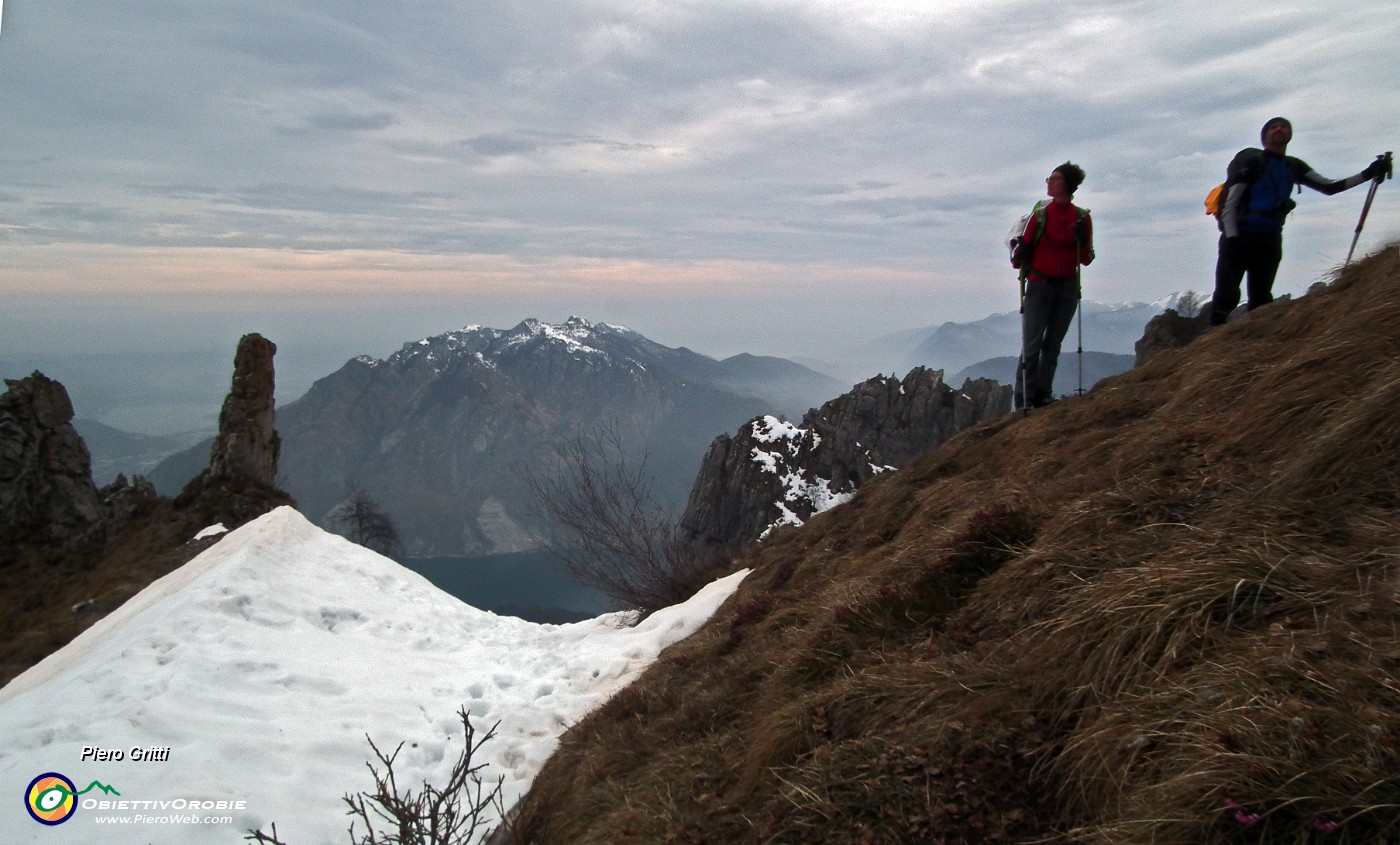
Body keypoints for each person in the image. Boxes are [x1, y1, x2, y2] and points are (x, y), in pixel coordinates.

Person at [1210, 117, 1389, 325]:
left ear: (1289, 135)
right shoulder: (1252, 163)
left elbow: (1330, 187)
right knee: (1226, 294)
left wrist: (1368, 173)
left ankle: (1253, 342)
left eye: (1284, 126)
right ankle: (1211, 344)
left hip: (1269, 238)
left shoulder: (1293, 166)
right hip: (1241, 235)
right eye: (1273, 127)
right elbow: (1231, 203)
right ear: (1264, 137)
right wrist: (1232, 238)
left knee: (1261, 298)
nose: (1279, 129)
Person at [1012, 162, 1094, 409]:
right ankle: (1026, 400)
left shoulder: (1081, 218)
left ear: (1066, 184)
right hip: (1041, 285)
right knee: (1033, 346)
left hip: (1063, 288)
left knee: (1052, 344)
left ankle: (1041, 396)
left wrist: (1081, 238)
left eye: (1054, 178)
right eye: (1050, 177)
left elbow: (1087, 258)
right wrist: (1021, 251)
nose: (1049, 181)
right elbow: (1017, 258)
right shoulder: (1040, 216)